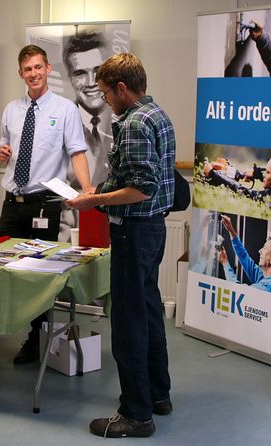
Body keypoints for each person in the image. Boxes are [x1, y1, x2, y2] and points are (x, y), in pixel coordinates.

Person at [0, 44, 93, 369]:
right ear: (21, 73)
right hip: (12, 203)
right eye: (28, 69)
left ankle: (36, 341)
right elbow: (5, 146)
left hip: (45, 207)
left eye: (39, 67)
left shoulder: (66, 109)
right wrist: (2, 154)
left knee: (38, 277)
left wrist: (87, 189)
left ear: (48, 68)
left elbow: (77, 152)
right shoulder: (12, 109)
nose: (34, 74)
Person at [67, 52, 175, 438]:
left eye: (107, 93)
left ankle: (135, 413)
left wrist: (93, 200)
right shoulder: (158, 114)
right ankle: (157, 397)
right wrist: (102, 190)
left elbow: (141, 189)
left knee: (128, 321)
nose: (105, 100)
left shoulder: (132, 124)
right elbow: (141, 178)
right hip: (153, 231)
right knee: (148, 312)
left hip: (134, 232)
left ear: (122, 88)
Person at [59, 31, 114, 240]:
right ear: (70, 78)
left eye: (98, 71)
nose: (91, 82)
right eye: (80, 72)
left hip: (116, 231)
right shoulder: (60, 124)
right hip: (68, 236)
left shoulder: (125, 123)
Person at [218, 215, 271, 295]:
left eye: (264, 248)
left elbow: (238, 292)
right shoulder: (264, 276)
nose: (259, 251)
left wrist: (225, 263)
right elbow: (244, 257)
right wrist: (231, 231)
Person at [202, 155, 271, 209]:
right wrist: (256, 173)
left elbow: (243, 191)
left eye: (268, 172)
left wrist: (213, 174)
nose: (265, 175)